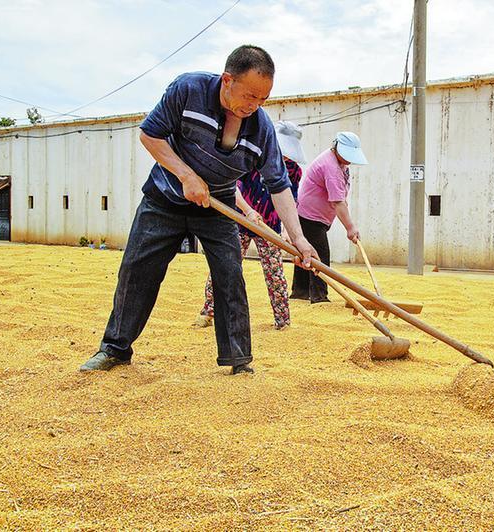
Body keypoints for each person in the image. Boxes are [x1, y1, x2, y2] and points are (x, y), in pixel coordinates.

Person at [79, 45, 316, 375]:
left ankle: (239, 359)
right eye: (249, 96)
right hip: (163, 198)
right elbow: (150, 134)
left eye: (263, 99)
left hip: (217, 208)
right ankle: (114, 349)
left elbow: (279, 186)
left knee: (230, 277)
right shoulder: (188, 90)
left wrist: (299, 238)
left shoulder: (261, 128)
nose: (255, 106)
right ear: (227, 80)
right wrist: (186, 175)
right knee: (137, 270)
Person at [195, 120, 306, 330]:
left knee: (275, 272)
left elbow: (291, 199)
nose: (284, 156)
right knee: (225, 266)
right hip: (240, 220)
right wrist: (248, 210)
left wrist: (287, 231)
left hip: (269, 226)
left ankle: (283, 321)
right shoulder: (251, 158)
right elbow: (233, 188)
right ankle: (208, 312)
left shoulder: (293, 171)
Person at [290, 132, 367, 303]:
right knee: (320, 255)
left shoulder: (340, 164)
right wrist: (350, 228)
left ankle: (300, 292)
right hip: (310, 216)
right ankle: (319, 296)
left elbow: (340, 198)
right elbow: (338, 202)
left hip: (315, 216)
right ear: (337, 148)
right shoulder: (330, 166)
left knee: (306, 252)